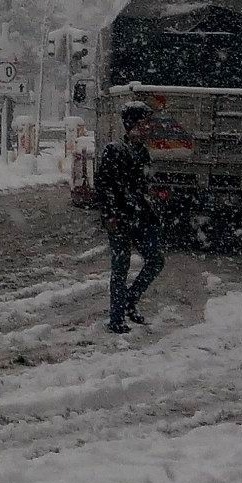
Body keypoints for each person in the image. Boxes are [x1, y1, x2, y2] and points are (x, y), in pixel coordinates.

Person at [94, 101, 164, 335]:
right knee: (120, 268)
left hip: (141, 217)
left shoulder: (142, 151)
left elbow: (144, 183)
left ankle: (130, 300)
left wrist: (151, 198)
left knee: (156, 260)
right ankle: (116, 317)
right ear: (132, 125)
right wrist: (110, 215)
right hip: (121, 218)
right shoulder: (114, 150)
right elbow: (104, 186)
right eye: (144, 123)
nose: (148, 128)